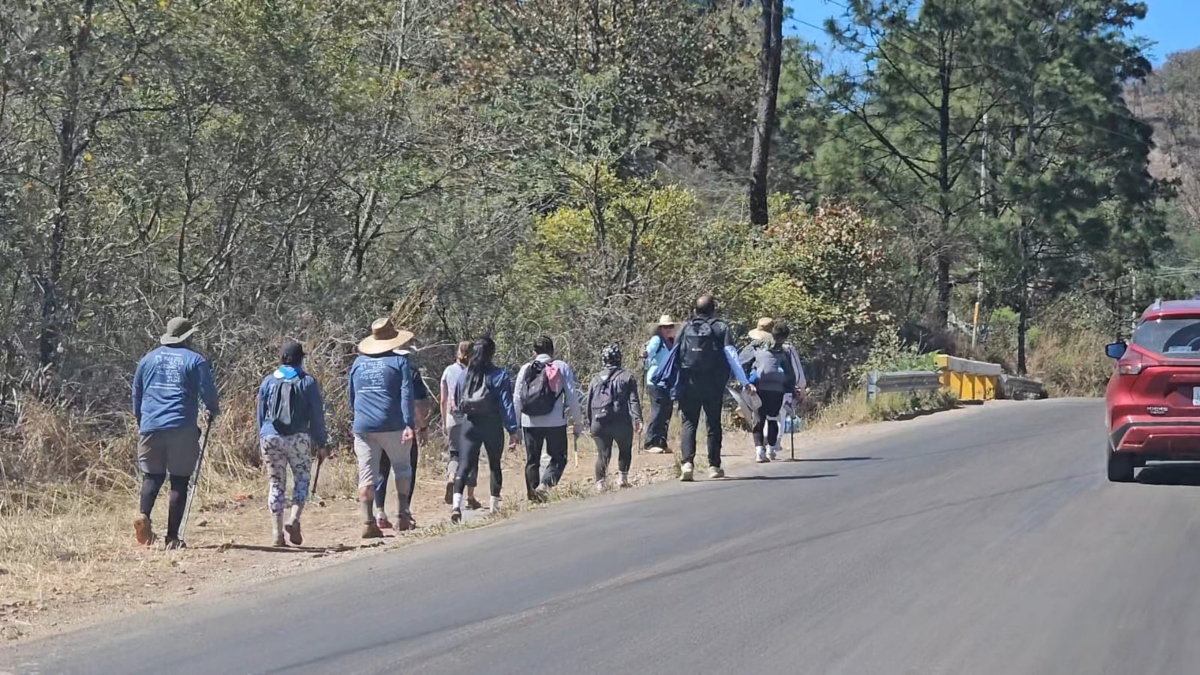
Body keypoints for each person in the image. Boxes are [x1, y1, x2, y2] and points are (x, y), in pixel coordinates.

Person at [131, 316, 220, 549]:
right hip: (181, 425)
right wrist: (213, 410)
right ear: (188, 337)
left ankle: (144, 515)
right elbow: (207, 391)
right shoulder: (195, 360)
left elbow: (136, 393)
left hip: (151, 424)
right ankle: (172, 537)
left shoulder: (147, 360)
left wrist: (141, 419)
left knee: (152, 477)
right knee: (179, 480)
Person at [665, 294, 749, 482]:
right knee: (713, 423)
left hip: (689, 382)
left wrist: (669, 380)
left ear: (695, 310)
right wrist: (744, 381)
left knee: (689, 423)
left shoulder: (686, 327)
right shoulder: (721, 328)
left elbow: (674, 355)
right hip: (713, 383)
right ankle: (714, 465)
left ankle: (687, 464)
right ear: (714, 309)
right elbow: (732, 356)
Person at [349, 318, 417, 538]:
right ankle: (402, 515)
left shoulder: (357, 364)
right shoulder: (400, 363)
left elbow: (352, 395)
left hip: (363, 426)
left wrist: (359, 416)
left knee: (367, 473)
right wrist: (409, 423)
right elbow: (407, 394)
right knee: (402, 467)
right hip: (393, 423)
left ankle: (368, 521)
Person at [256, 341, 327, 546]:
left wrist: (262, 435)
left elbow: (260, 414)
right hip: (298, 437)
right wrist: (321, 442)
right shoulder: (307, 382)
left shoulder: (268, 381)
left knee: (276, 483)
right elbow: (316, 415)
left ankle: (277, 534)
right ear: (301, 360)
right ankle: (294, 519)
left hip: (270, 437)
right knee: (302, 479)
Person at [450, 336, 520, 523]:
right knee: (494, 464)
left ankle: (456, 505)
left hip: (470, 423)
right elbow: (507, 405)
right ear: (492, 353)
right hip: (492, 424)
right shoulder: (499, 375)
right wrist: (512, 430)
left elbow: (457, 401)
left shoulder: (464, 374)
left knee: (464, 464)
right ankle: (494, 506)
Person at [513, 336, 584, 502]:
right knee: (559, 458)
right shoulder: (561, 367)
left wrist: (514, 426)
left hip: (529, 421)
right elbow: (572, 397)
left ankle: (533, 497)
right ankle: (545, 485)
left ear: (534, 352)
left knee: (532, 460)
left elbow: (516, 398)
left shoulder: (525, 369)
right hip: (555, 421)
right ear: (552, 351)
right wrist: (577, 422)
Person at [374, 346, 432, 531]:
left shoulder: (378, 370)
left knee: (381, 470)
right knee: (407, 470)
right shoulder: (412, 372)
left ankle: (380, 512)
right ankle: (404, 513)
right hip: (404, 429)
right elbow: (418, 403)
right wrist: (422, 426)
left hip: (380, 426)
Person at [587, 345, 643, 490]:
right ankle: (623, 478)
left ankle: (600, 483)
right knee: (625, 449)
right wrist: (638, 419)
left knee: (602, 454)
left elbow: (589, 403)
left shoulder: (595, 379)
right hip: (621, 421)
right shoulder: (627, 377)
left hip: (599, 422)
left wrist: (590, 423)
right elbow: (634, 401)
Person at [742, 323, 798, 463]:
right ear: (785, 337)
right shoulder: (784, 352)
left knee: (759, 418)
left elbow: (741, 362)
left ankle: (759, 452)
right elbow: (790, 375)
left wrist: (746, 383)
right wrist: (790, 391)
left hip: (758, 389)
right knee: (772, 418)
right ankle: (771, 449)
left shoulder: (756, 346)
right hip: (776, 390)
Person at [440, 341, 481, 509]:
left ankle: (451, 477)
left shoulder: (448, 371)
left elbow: (443, 399)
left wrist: (444, 421)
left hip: (452, 419)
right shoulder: (474, 371)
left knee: (454, 454)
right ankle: (470, 497)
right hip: (471, 419)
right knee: (472, 456)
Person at [641, 315, 678, 454]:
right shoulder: (657, 340)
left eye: (670, 326)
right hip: (655, 380)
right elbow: (650, 350)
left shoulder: (672, 341)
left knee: (667, 411)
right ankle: (650, 442)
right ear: (660, 328)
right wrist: (645, 354)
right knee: (658, 411)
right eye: (665, 327)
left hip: (667, 381)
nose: (668, 329)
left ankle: (662, 442)